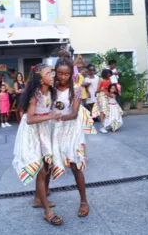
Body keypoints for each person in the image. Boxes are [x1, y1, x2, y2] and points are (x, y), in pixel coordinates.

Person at [13, 63, 63, 226]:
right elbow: (30, 119)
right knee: (41, 170)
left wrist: (55, 113)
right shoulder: (35, 94)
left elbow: (49, 109)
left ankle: (38, 199)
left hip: (45, 130)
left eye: (52, 73)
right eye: (48, 73)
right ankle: (47, 212)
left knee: (47, 167)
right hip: (32, 132)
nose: (52, 75)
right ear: (40, 78)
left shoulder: (50, 91)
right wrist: (50, 116)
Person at [51, 57, 92, 218]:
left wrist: (57, 116)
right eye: (59, 73)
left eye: (66, 74)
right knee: (47, 163)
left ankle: (84, 201)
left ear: (70, 74)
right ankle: (40, 197)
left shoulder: (76, 89)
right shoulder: (51, 89)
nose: (62, 77)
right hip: (55, 129)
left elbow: (74, 114)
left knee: (75, 166)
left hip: (72, 130)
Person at [92, 69, 112, 133]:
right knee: (103, 110)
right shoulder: (101, 80)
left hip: (108, 96)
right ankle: (101, 127)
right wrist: (101, 89)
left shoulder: (110, 80)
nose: (110, 75)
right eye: (108, 73)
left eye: (110, 73)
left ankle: (107, 124)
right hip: (102, 96)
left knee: (108, 110)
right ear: (105, 74)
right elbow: (97, 91)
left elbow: (111, 89)